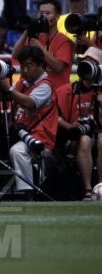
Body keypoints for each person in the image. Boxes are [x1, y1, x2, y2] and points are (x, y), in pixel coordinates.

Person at [0, 45, 58, 201]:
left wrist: (8, 89)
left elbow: (30, 103)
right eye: (22, 66)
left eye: (29, 66)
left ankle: (26, 193)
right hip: (20, 134)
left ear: (41, 66)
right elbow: (4, 96)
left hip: (40, 140)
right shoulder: (22, 83)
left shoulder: (46, 85)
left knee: (18, 151)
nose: (24, 70)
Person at [55, 47, 102, 200]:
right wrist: (70, 127)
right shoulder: (68, 90)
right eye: (84, 62)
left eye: (92, 63)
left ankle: (100, 188)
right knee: (84, 140)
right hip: (76, 137)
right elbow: (54, 116)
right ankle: (88, 190)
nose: (87, 66)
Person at [11, 0, 75, 90]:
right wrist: (27, 30)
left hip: (55, 93)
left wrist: (40, 48)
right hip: (31, 91)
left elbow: (58, 67)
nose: (43, 16)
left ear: (57, 17)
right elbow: (15, 55)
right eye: (41, 13)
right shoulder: (35, 36)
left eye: (48, 13)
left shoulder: (65, 41)